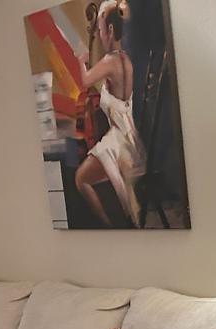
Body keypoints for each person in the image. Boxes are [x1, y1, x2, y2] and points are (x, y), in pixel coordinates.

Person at [75, 1, 145, 227]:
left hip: (118, 143)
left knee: (80, 179)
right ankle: (117, 220)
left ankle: (109, 224)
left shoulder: (109, 61)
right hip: (131, 138)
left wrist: (81, 62)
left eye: (101, 30)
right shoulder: (126, 60)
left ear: (111, 30)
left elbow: (84, 81)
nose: (100, 35)